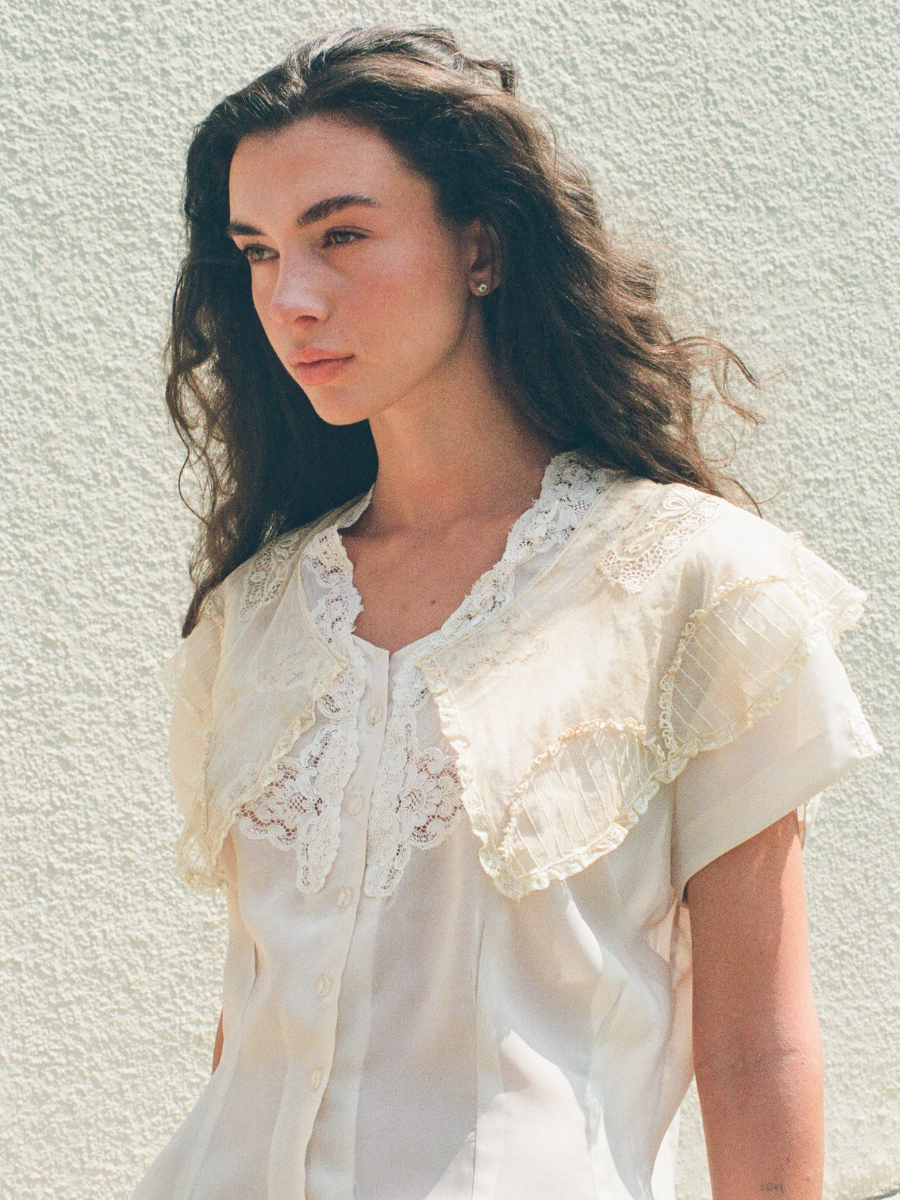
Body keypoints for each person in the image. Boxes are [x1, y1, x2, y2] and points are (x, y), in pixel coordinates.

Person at [132, 25, 880, 1200]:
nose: (293, 298)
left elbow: (756, 1051)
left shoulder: (692, 582)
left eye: (340, 235)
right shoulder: (254, 616)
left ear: (479, 245)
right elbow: (256, 1023)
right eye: (260, 253)